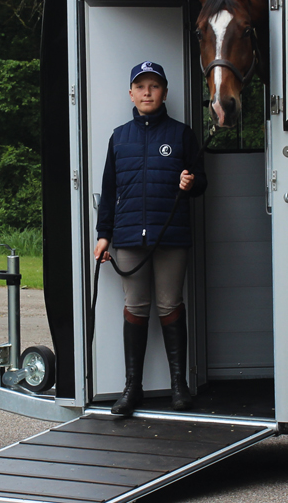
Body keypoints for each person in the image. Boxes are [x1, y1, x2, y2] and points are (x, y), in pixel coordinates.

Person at [94, 61, 207, 415]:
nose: (147, 92)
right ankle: (133, 388)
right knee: (136, 307)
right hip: (128, 238)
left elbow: (201, 182)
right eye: (141, 86)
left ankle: (179, 386)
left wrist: (191, 183)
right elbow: (109, 191)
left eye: (154, 86)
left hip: (171, 236)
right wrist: (103, 235)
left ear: (164, 93)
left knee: (170, 306)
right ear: (131, 93)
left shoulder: (182, 134)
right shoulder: (119, 137)